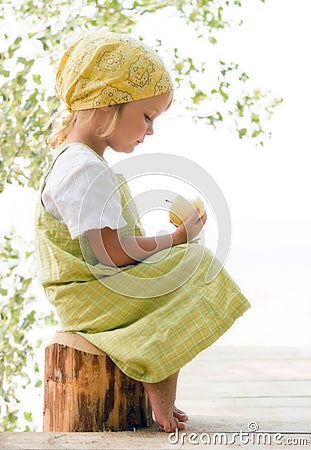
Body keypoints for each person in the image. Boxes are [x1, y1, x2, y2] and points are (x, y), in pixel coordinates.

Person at [36, 29, 251, 433]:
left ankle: (155, 365)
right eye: (147, 116)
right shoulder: (83, 168)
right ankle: (155, 366)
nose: (149, 130)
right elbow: (110, 254)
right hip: (90, 295)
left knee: (181, 264)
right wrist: (176, 238)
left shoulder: (78, 162)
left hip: (89, 290)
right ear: (107, 105)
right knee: (192, 263)